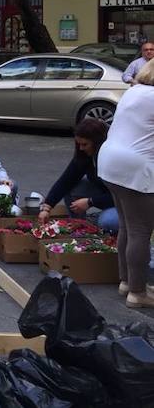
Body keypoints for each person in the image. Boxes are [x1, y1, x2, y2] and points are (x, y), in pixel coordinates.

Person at [98, 58, 154, 308]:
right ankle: (138, 293)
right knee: (141, 230)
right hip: (135, 167)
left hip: (110, 162)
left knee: (128, 226)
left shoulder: (134, 92)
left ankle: (126, 282)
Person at [37, 118, 117, 232]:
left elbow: (120, 196)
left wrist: (91, 201)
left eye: (85, 144)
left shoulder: (113, 158)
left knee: (107, 221)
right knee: (72, 188)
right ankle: (78, 226)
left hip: (125, 203)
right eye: (78, 144)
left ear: (98, 143)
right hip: (104, 194)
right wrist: (47, 207)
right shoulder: (85, 155)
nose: (81, 148)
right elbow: (66, 180)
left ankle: (95, 222)